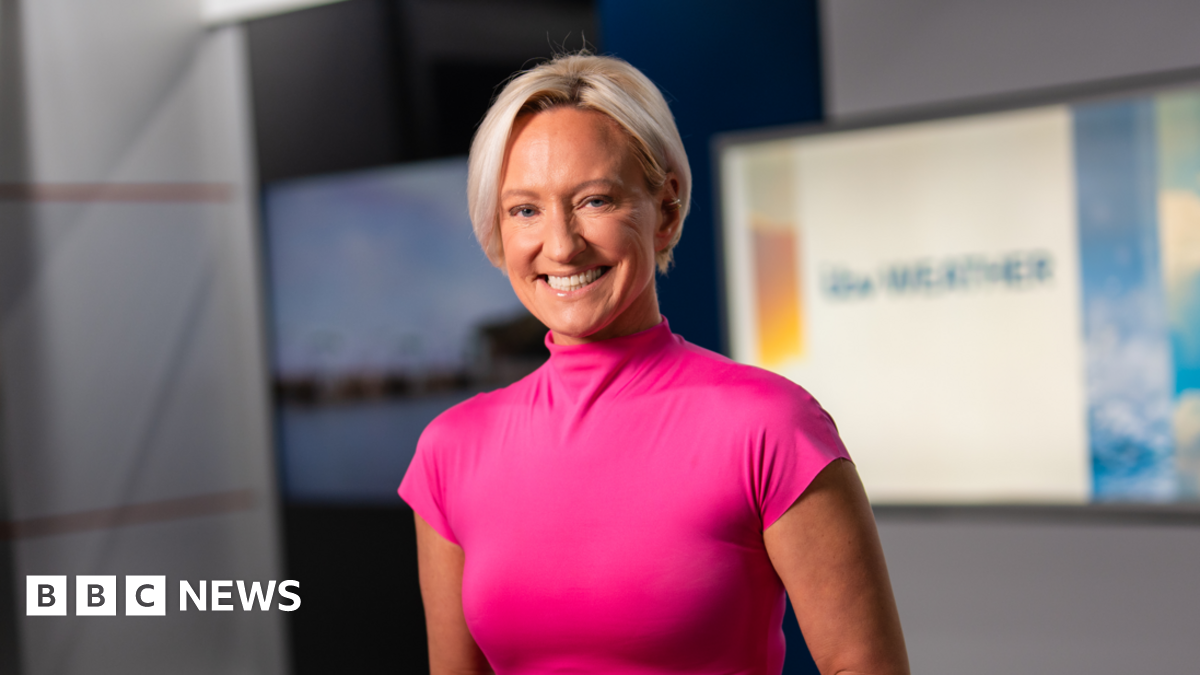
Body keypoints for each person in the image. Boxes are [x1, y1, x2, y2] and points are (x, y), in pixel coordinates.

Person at [399, 53, 909, 675]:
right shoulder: (451, 452)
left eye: (593, 200)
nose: (560, 245)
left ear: (664, 210)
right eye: (525, 210)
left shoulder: (770, 427)